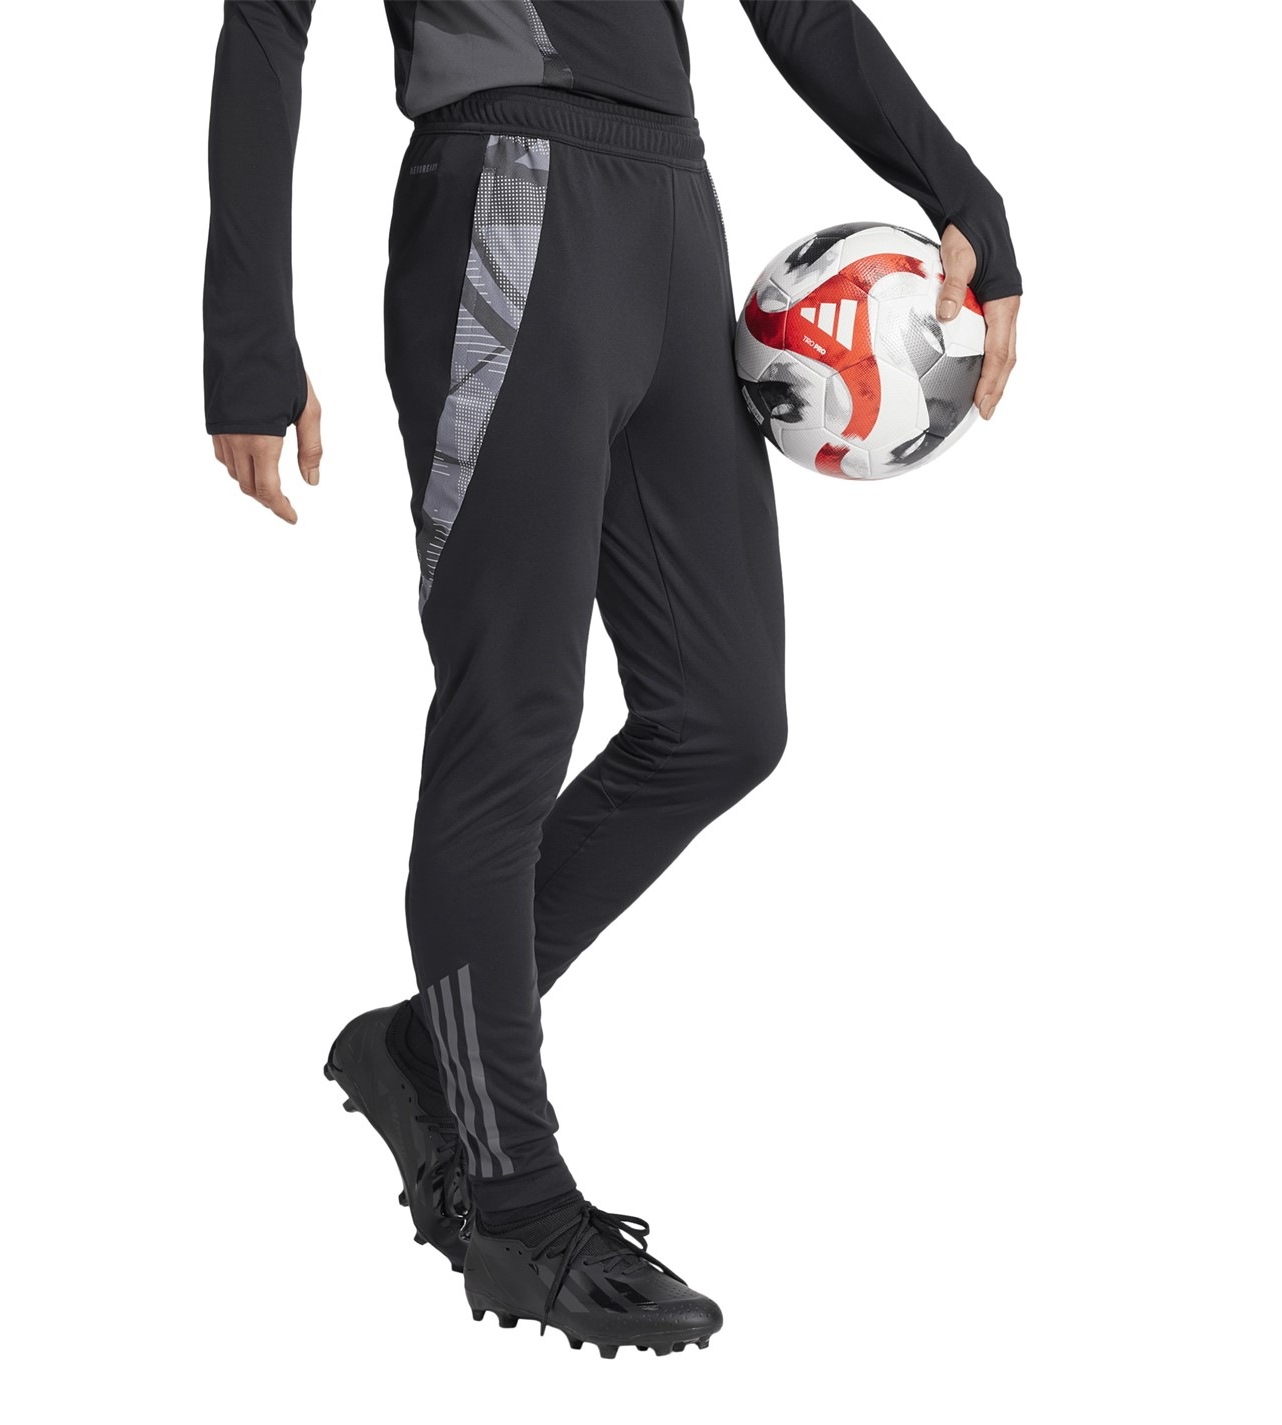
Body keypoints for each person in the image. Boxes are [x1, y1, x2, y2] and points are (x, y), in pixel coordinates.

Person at [204, 0, 1021, 1358]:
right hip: (506, 202)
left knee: (722, 717)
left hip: (672, 209)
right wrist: (247, 339)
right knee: (512, 717)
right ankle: (513, 1205)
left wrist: (963, 197)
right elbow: (264, 23)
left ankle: (431, 1046)